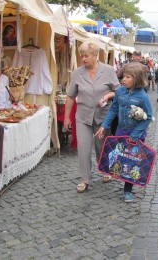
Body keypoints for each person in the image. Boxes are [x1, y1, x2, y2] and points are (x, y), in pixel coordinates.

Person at [63, 40, 120, 193]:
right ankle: (85, 179)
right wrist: (67, 118)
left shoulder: (108, 70)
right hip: (83, 116)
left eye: (86, 55)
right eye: (82, 56)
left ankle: (105, 170)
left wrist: (108, 95)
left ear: (96, 55)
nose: (83, 59)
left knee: (101, 146)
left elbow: (118, 91)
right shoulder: (78, 73)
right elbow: (70, 96)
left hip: (103, 116)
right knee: (83, 148)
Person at [95, 62, 153, 203]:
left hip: (136, 135)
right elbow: (114, 109)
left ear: (137, 79)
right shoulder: (120, 92)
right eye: (123, 76)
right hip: (120, 131)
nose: (123, 80)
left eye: (128, 77)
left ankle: (128, 190)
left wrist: (135, 135)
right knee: (121, 158)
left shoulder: (143, 96)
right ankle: (120, 175)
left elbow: (148, 118)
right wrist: (104, 125)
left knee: (133, 162)